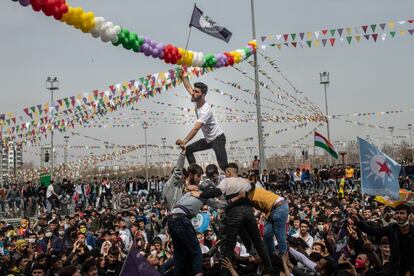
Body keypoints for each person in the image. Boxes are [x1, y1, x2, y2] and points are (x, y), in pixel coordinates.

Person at [176, 69, 228, 171]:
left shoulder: (206, 110)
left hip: (218, 139)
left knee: (223, 166)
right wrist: (183, 77)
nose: (193, 93)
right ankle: (195, 173)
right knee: (188, 150)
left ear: (203, 95)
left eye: (196, 92)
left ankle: (236, 181)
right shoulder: (196, 99)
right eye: (194, 91)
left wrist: (184, 141)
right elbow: (188, 87)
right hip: (208, 140)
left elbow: (196, 129)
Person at [350, 203, 414, 275]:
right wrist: (358, 222)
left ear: (409, 215)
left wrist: (409, 270)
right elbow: (372, 231)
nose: (398, 215)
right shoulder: (392, 228)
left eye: (402, 213)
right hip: (395, 270)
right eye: (397, 213)